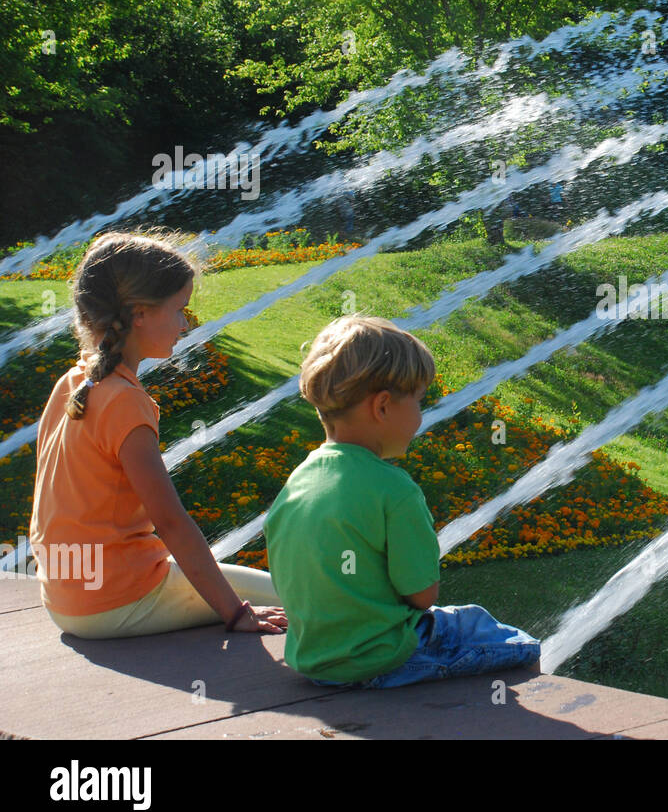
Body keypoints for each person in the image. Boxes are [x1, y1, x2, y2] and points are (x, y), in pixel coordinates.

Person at [29, 232, 287, 639]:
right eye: (180, 309)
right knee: (297, 596)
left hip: (66, 598)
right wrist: (236, 614)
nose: (186, 323)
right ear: (140, 314)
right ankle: (420, 625)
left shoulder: (75, 382)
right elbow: (170, 521)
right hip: (115, 602)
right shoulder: (124, 401)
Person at [264, 316, 540, 688]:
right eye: (418, 401)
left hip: (313, 659)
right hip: (386, 658)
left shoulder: (300, 480)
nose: (421, 416)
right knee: (502, 637)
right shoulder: (394, 489)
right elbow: (423, 596)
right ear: (382, 407)